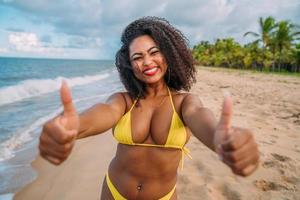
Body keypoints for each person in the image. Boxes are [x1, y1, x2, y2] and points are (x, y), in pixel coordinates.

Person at [39, 17, 259, 200]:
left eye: (154, 52)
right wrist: (75, 126)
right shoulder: (124, 101)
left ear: (169, 55)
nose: (147, 61)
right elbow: (104, 112)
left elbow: (200, 117)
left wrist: (221, 140)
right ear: (130, 66)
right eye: (138, 57)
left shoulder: (185, 103)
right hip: (114, 192)